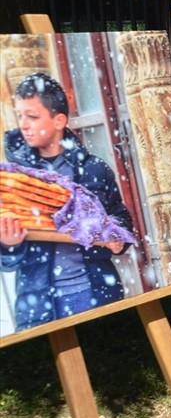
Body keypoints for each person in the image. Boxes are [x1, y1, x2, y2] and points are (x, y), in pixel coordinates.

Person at [1, 73, 134, 331]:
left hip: (95, 292)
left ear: (59, 120)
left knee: (110, 356)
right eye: (20, 116)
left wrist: (117, 238)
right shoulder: (12, 179)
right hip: (38, 304)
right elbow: (6, 261)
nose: (24, 125)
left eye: (33, 116)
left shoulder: (94, 170)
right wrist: (9, 245)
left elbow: (120, 218)